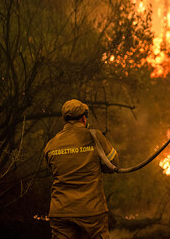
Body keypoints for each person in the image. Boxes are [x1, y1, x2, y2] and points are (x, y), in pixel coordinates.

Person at [44, 99, 119, 239]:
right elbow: (113, 164)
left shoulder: (51, 144)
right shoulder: (95, 137)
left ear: (64, 120)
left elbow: (52, 170)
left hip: (60, 212)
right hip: (91, 212)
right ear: (84, 118)